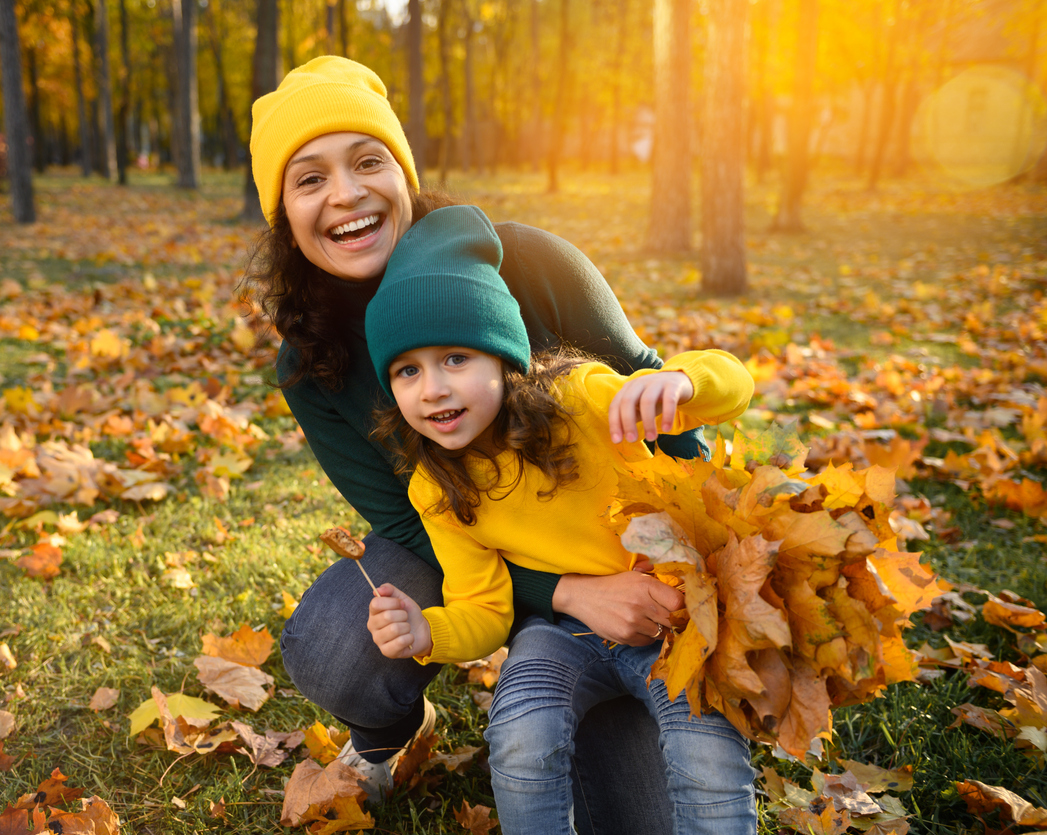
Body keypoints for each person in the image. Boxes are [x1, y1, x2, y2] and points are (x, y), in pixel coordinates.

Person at [246, 55, 709, 828]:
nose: (347, 195)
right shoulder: (312, 364)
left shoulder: (526, 260)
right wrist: (564, 594)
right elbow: (404, 527)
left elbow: (661, 411)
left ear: (404, 174)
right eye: (309, 179)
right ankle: (392, 731)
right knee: (337, 642)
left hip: (621, 555)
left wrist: (680, 575)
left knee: (642, 819)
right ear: (285, 216)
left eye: (367, 162)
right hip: (467, 554)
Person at [362, 205, 757, 835]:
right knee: (520, 732)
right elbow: (485, 609)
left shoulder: (584, 402)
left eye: (456, 359)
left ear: (502, 358)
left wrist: (682, 382)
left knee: (706, 747)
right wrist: (426, 632)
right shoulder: (436, 487)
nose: (432, 388)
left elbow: (735, 381)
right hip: (559, 631)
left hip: (675, 620)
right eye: (408, 371)